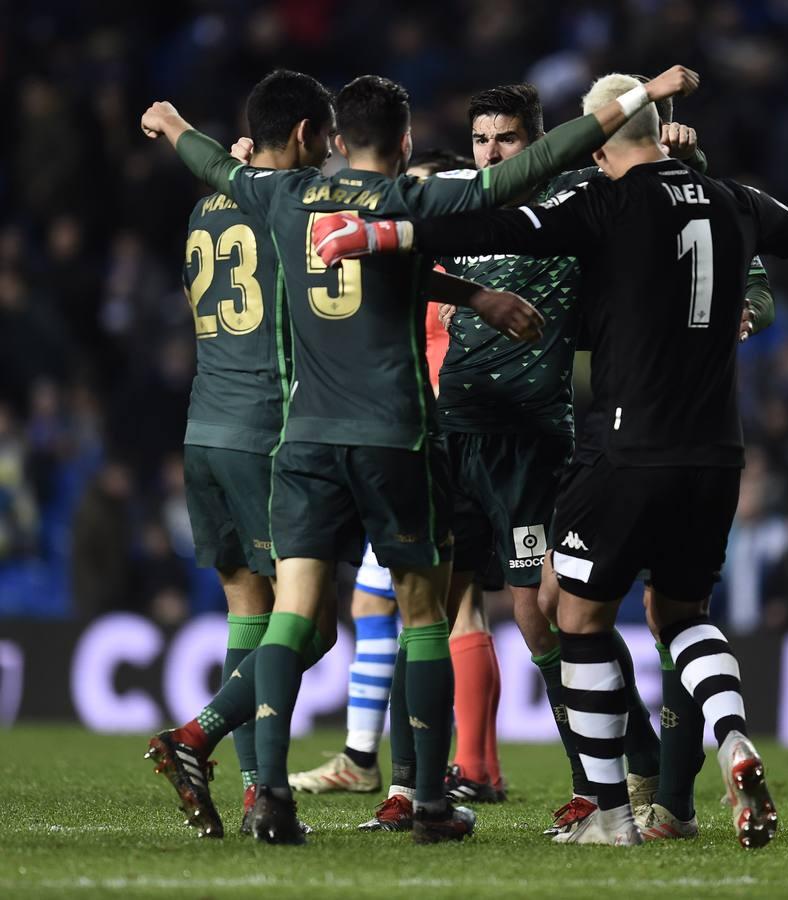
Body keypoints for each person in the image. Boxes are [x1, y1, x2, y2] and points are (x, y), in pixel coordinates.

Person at [140, 64, 699, 845]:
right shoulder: (412, 197)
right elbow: (532, 171)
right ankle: (430, 798)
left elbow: (215, 165)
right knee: (425, 612)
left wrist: (172, 127)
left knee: (293, 615)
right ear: (407, 144)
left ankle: (264, 793)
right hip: (398, 438)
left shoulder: (283, 197)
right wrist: (639, 100)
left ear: (333, 140)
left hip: (303, 442)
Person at [310, 71, 788, 846]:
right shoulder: (734, 200)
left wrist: (380, 233)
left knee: (571, 613)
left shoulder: (597, 202)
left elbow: (494, 229)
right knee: (681, 617)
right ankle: (731, 738)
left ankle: (608, 806)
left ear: (592, 139)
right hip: (718, 454)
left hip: (625, 447)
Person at [143, 69, 335, 840]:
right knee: (310, 627)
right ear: (300, 135)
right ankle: (199, 733)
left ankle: (260, 794)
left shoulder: (203, 210)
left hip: (204, 432)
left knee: (247, 612)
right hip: (269, 432)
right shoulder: (287, 207)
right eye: (320, 135)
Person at [287, 150, 477, 798]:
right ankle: (390, 765)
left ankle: (429, 774)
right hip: (398, 440)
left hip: (426, 439)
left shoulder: (441, 257)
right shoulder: (401, 259)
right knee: (408, 607)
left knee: (445, 613)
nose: (408, 200)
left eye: (421, 190)